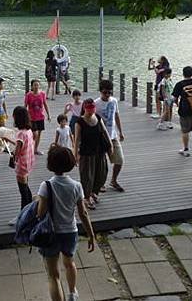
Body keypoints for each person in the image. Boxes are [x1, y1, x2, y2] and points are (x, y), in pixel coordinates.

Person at [37, 145, 96, 301]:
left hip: (51, 233)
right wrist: (91, 234)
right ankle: (72, 293)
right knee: (69, 263)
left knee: (53, 275)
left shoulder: (46, 186)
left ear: (50, 164)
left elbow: (40, 213)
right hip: (70, 231)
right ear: (70, 163)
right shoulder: (76, 186)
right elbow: (83, 213)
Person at [75, 98, 113, 209]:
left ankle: (94, 192)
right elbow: (77, 140)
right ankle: (86, 198)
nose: (91, 110)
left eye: (92, 108)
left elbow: (105, 132)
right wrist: (75, 155)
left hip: (99, 151)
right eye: (89, 108)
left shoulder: (97, 118)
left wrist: (110, 145)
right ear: (84, 109)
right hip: (86, 153)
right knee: (87, 176)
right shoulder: (80, 122)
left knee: (101, 173)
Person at [95, 80, 126, 192]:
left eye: (109, 92)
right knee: (101, 163)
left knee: (119, 159)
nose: (107, 95)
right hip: (101, 137)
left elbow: (116, 115)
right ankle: (100, 183)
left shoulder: (114, 101)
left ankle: (113, 180)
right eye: (105, 92)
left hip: (113, 135)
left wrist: (120, 132)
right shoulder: (96, 104)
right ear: (100, 91)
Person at [8, 106, 35, 225]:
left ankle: (22, 217)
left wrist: (7, 150)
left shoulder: (20, 134)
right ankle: (30, 211)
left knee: (23, 191)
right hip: (28, 163)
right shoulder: (28, 131)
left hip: (21, 166)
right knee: (26, 188)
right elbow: (21, 144)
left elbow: (16, 152)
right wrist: (8, 140)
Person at [171, 66, 192, 157]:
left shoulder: (179, 84)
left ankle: (186, 149)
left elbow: (174, 98)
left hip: (184, 112)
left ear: (183, 74)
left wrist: (178, 104)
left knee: (185, 131)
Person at [24, 79, 51, 155]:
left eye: (37, 85)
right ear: (32, 86)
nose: (36, 86)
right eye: (34, 85)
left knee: (39, 133)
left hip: (40, 117)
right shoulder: (29, 95)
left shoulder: (42, 94)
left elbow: (45, 104)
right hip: (31, 117)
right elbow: (25, 106)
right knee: (34, 134)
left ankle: (35, 149)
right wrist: (25, 117)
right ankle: (29, 148)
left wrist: (48, 115)